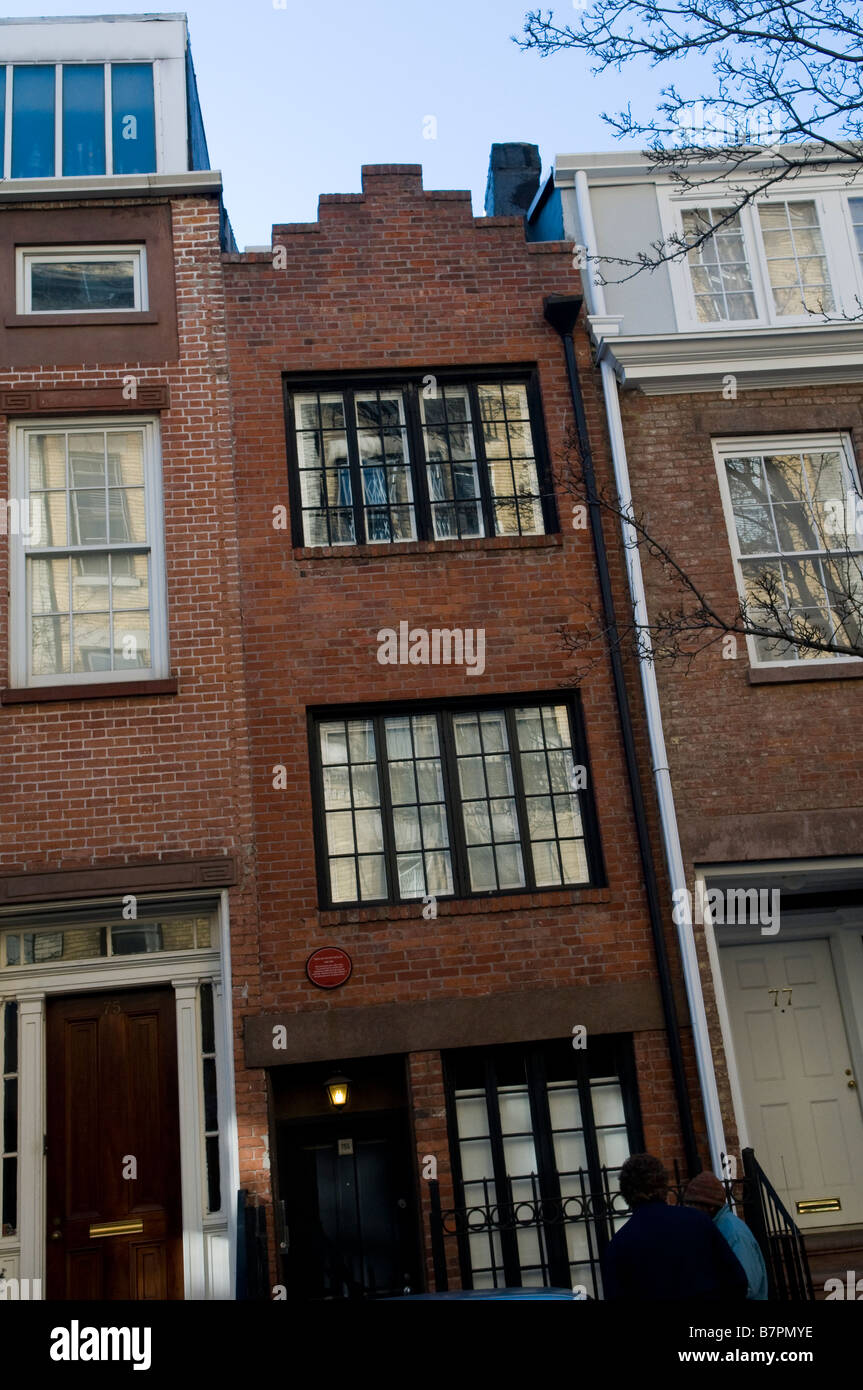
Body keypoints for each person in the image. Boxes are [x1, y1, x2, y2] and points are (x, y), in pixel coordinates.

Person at [601, 1154, 749, 1301]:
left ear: (626, 1192)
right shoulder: (698, 1221)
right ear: (664, 1186)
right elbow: (737, 1281)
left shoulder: (619, 1245)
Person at [683, 1170, 769, 1300]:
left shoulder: (734, 1233)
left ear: (710, 1207)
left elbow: (748, 1286)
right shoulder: (713, 1228)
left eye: (693, 1205)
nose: (688, 1211)